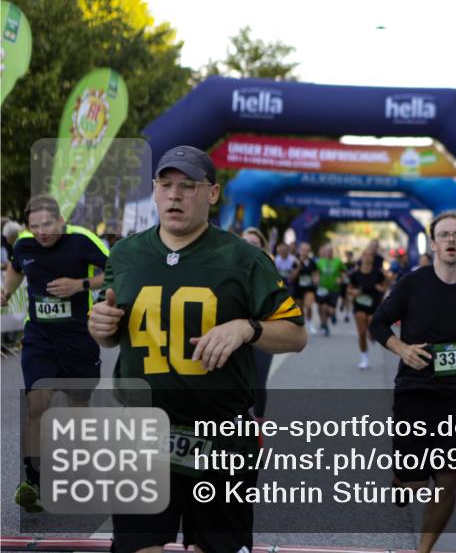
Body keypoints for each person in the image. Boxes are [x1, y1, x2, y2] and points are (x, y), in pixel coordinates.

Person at [87, 146, 307, 553]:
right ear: (154, 191)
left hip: (222, 438)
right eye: (166, 185)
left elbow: (295, 334)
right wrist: (100, 327)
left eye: (188, 186)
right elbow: (111, 332)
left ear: (212, 194)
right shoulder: (125, 254)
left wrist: (247, 328)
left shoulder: (244, 258)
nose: (175, 195)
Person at [368, 211, 456, 553]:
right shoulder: (412, 284)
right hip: (415, 390)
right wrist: (401, 348)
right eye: (444, 235)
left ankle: (423, 550)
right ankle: (402, 480)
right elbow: (378, 324)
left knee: (446, 476)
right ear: (433, 243)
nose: (451, 240)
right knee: (411, 482)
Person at [1, 195, 109, 512]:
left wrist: (81, 284)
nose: (41, 232)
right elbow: (16, 267)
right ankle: (33, 481)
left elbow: (116, 270)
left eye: (47, 225)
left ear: (61, 220)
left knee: (78, 405)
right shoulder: (23, 244)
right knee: (37, 403)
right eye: (35, 227)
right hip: (40, 337)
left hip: (78, 335)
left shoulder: (82, 240)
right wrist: (7, 290)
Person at [242, 227, 275, 421]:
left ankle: (259, 423)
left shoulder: (269, 272)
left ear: (262, 248)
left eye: (254, 244)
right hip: (234, 336)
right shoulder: (225, 270)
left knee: (257, 383)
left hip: (263, 333)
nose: (248, 247)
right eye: (244, 242)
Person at [347, 248, 388, 369]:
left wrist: (380, 288)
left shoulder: (378, 273)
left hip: (374, 306)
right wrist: (354, 292)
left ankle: (372, 335)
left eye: (370, 255)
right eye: (365, 255)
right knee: (362, 333)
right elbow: (349, 289)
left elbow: (385, 287)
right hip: (359, 305)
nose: (367, 257)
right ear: (361, 257)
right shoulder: (355, 274)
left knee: (371, 330)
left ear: (373, 258)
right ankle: (364, 357)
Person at [315, 243, 346, 336]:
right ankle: (326, 327)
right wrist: (316, 279)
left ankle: (332, 314)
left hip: (334, 289)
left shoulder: (338, 262)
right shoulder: (320, 262)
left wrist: (340, 279)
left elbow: (344, 272)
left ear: (332, 252)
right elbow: (316, 273)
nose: (329, 253)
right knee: (323, 307)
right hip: (323, 289)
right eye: (327, 251)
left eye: (330, 251)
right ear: (324, 252)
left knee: (331, 309)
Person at [290, 241, 319, 334]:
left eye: (307, 250)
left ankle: (310, 324)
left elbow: (315, 274)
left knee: (308, 305)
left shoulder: (312, 262)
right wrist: (298, 266)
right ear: (299, 250)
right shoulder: (295, 261)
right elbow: (292, 277)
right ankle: (301, 325)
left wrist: (316, 280)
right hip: (298, 288)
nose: (304, 252)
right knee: (299, 308)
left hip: (309, 288)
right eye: (303, 250)